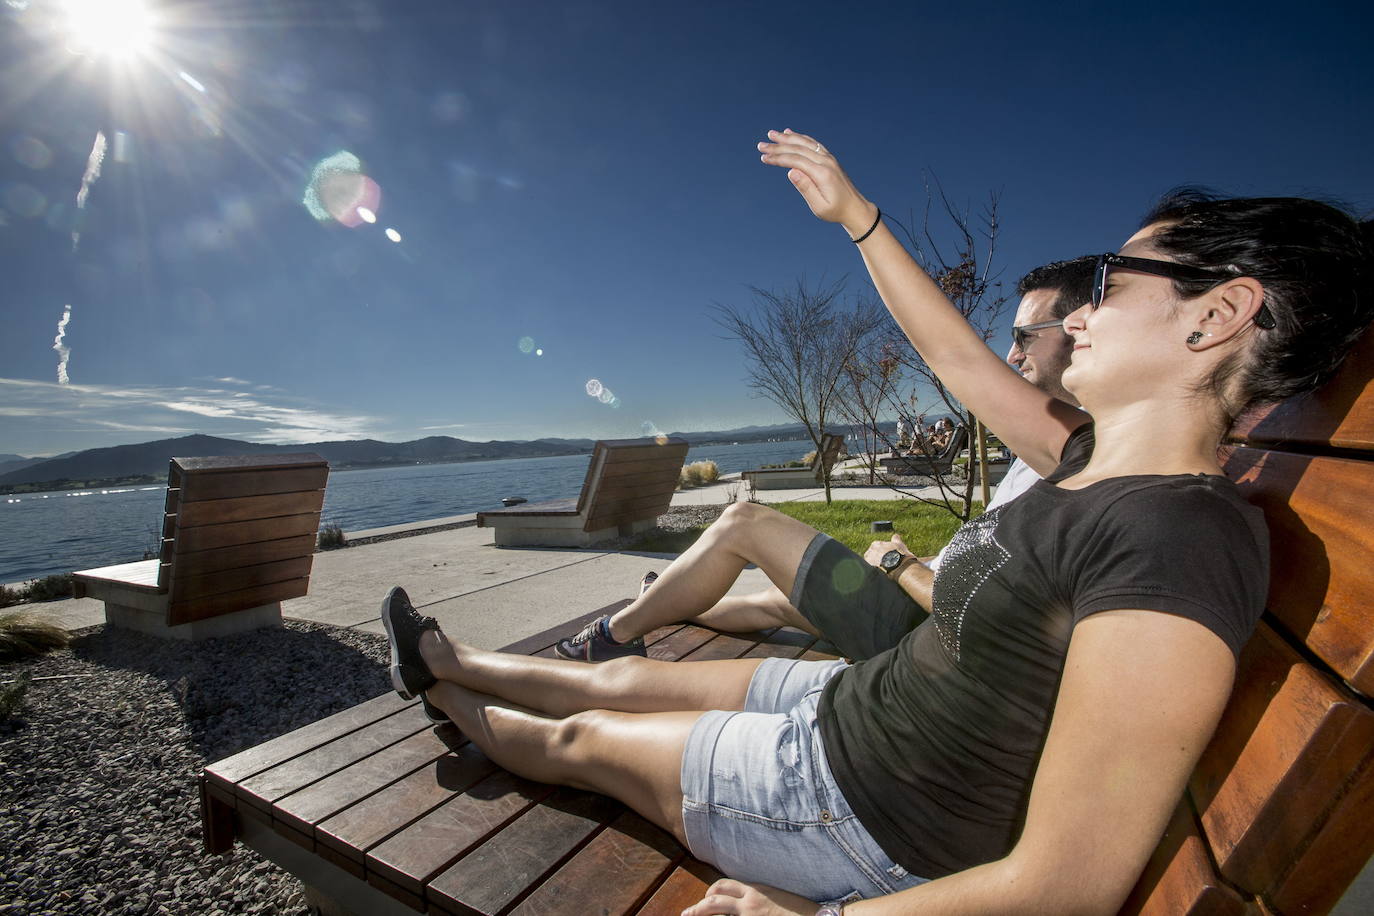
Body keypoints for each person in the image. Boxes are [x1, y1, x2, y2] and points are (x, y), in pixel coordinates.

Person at [380, 128, 1373, 915]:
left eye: (1113, 285)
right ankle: (453, 659)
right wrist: (857, 217)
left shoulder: (1179, 543)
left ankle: (452, 697)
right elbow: (959, 364)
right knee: (634, 678)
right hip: (860, 710)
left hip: (867, 810)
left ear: (1215, 318)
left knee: (584, 738)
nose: (1080, 314)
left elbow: (1068, 879)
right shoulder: (1093, 457)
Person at [548, 254, 1094, 664]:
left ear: (1079, 332)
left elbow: (994, 612)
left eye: (1025, 336)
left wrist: (900, 566)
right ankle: (668, 603)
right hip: (925, 608)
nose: (1012, 353)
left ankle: (612, 637)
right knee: (775, 601)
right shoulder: (1054, 456)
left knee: (744, 522)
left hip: (926, 636)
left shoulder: (1077, 454)